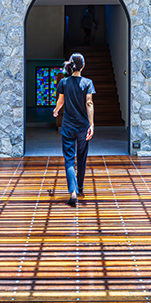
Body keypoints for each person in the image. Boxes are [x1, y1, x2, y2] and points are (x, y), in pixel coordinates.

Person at [52, 52, 95, 206]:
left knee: (69, 160)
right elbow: (89, 103)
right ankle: (81, 185)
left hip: (68, 126)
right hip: (83, 127)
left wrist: (56, 110)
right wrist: (91, 124)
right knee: (82, 157)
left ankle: (73, 192)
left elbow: (60, 101)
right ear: (83, 66)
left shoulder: (64, 82)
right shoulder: (88, 83)